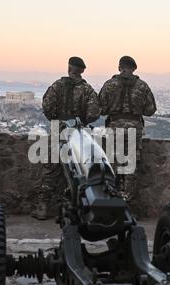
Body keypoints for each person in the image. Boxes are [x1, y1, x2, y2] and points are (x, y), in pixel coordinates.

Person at [33, 56, 100, 220]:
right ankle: (74, 211)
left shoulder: (57, 86)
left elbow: (47, 106)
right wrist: (81, 120)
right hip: (78, 133)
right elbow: (94, 113)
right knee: (77, 171)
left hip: (58, 129)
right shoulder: (87, 90)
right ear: (82, 70)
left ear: (69, 68)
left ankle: (42, 208)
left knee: (51, 169)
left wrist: (57, 120)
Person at [99, 56, 157, 217]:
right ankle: (127, 206)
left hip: (114, 128)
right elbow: (150, 110)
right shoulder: (142, 86)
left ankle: (111, 203)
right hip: (134, 129)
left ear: (119, 67)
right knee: (130, 167)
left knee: (112, 165)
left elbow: (101, 109)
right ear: (134, 69)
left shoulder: (110, 85)